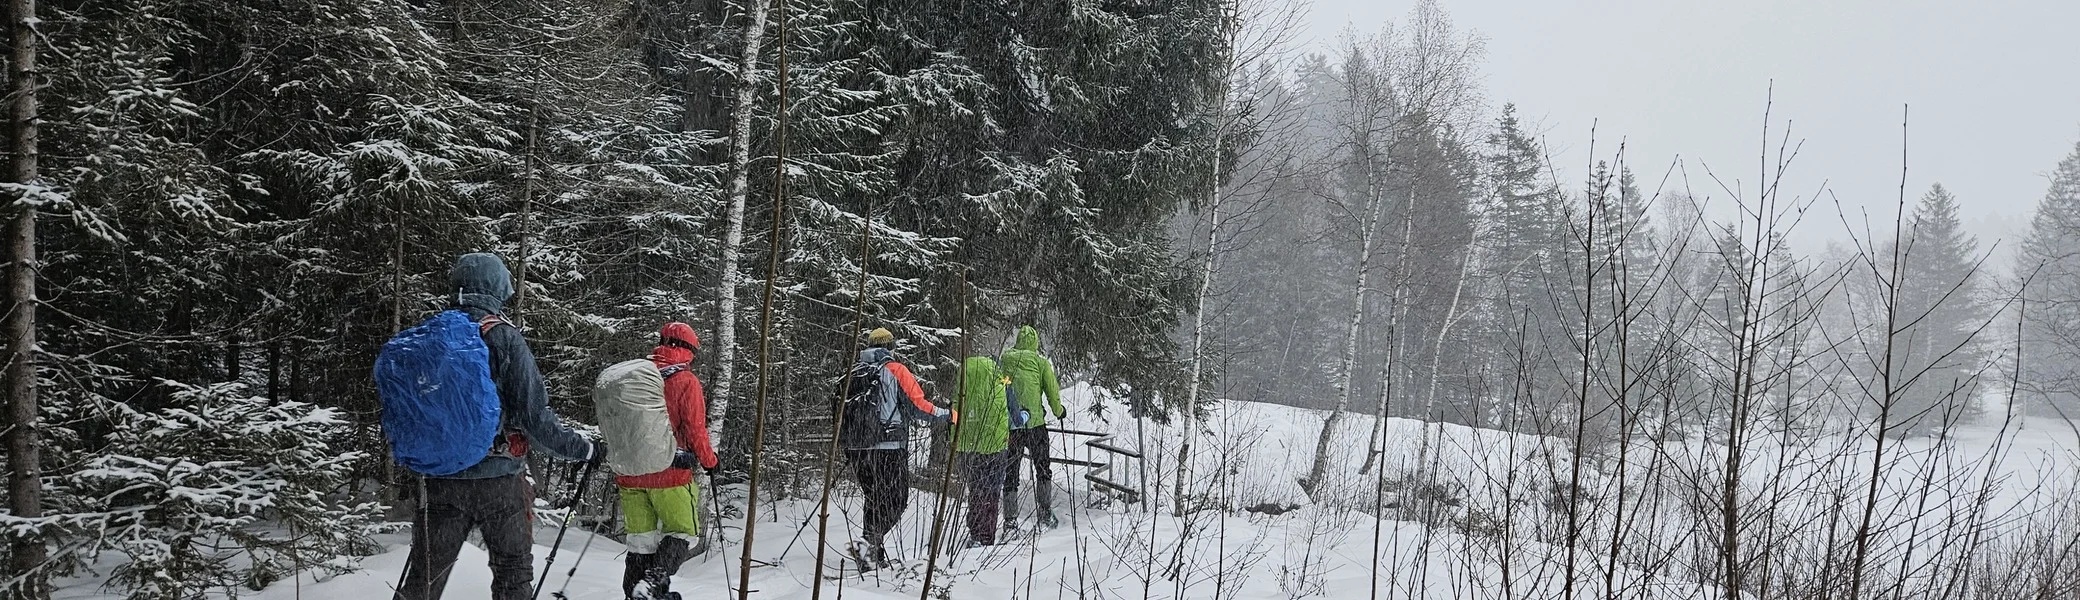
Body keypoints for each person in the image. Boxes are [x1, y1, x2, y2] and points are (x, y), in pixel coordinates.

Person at [396, 253, 605, 600]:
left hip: (442, 478)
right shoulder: (505, 338)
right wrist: (584, 449)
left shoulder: (429, 337)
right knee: (512, 572)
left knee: (424, 577)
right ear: (497, 288)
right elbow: (535, 417)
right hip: (499, 479)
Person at [619, 323, 721, 600]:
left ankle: (635, 592)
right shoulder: (685, 381)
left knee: (641, 543)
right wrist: (709, 461)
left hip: (629, 474)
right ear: (686, 349)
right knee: (684, 533)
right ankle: (652, 584)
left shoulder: (637, 377)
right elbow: (695, 429)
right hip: (669, 473)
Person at [842, 327, 951, 568]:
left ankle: (871, 556)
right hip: (889, 446)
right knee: (897, 499)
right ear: (891, 347)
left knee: (874, 498)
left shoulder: (855, 371)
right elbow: (918, 408)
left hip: (857, 446)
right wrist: (948, 415)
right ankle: (869, 543)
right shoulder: (896, 370)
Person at [999, 325, 1067, 531]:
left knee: (1011, 470)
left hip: (1012, 425)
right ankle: (1045, 511)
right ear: (1035, 342)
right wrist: (1059, 411)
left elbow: (1001, 386)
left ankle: (1010, 519)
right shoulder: (1040, 363)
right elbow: (1051, 390)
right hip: (1036, 425)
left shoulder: (1006, 361)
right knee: (1042, 467)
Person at [953, 355, 1012, 547]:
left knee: (976, 490)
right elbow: (1014, 415)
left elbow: (954, 413)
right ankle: (986, 536)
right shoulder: (1001, 383)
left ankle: (975, 532)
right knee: (992, 492)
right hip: (995, 447)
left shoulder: (962, 385)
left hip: (966, 446)